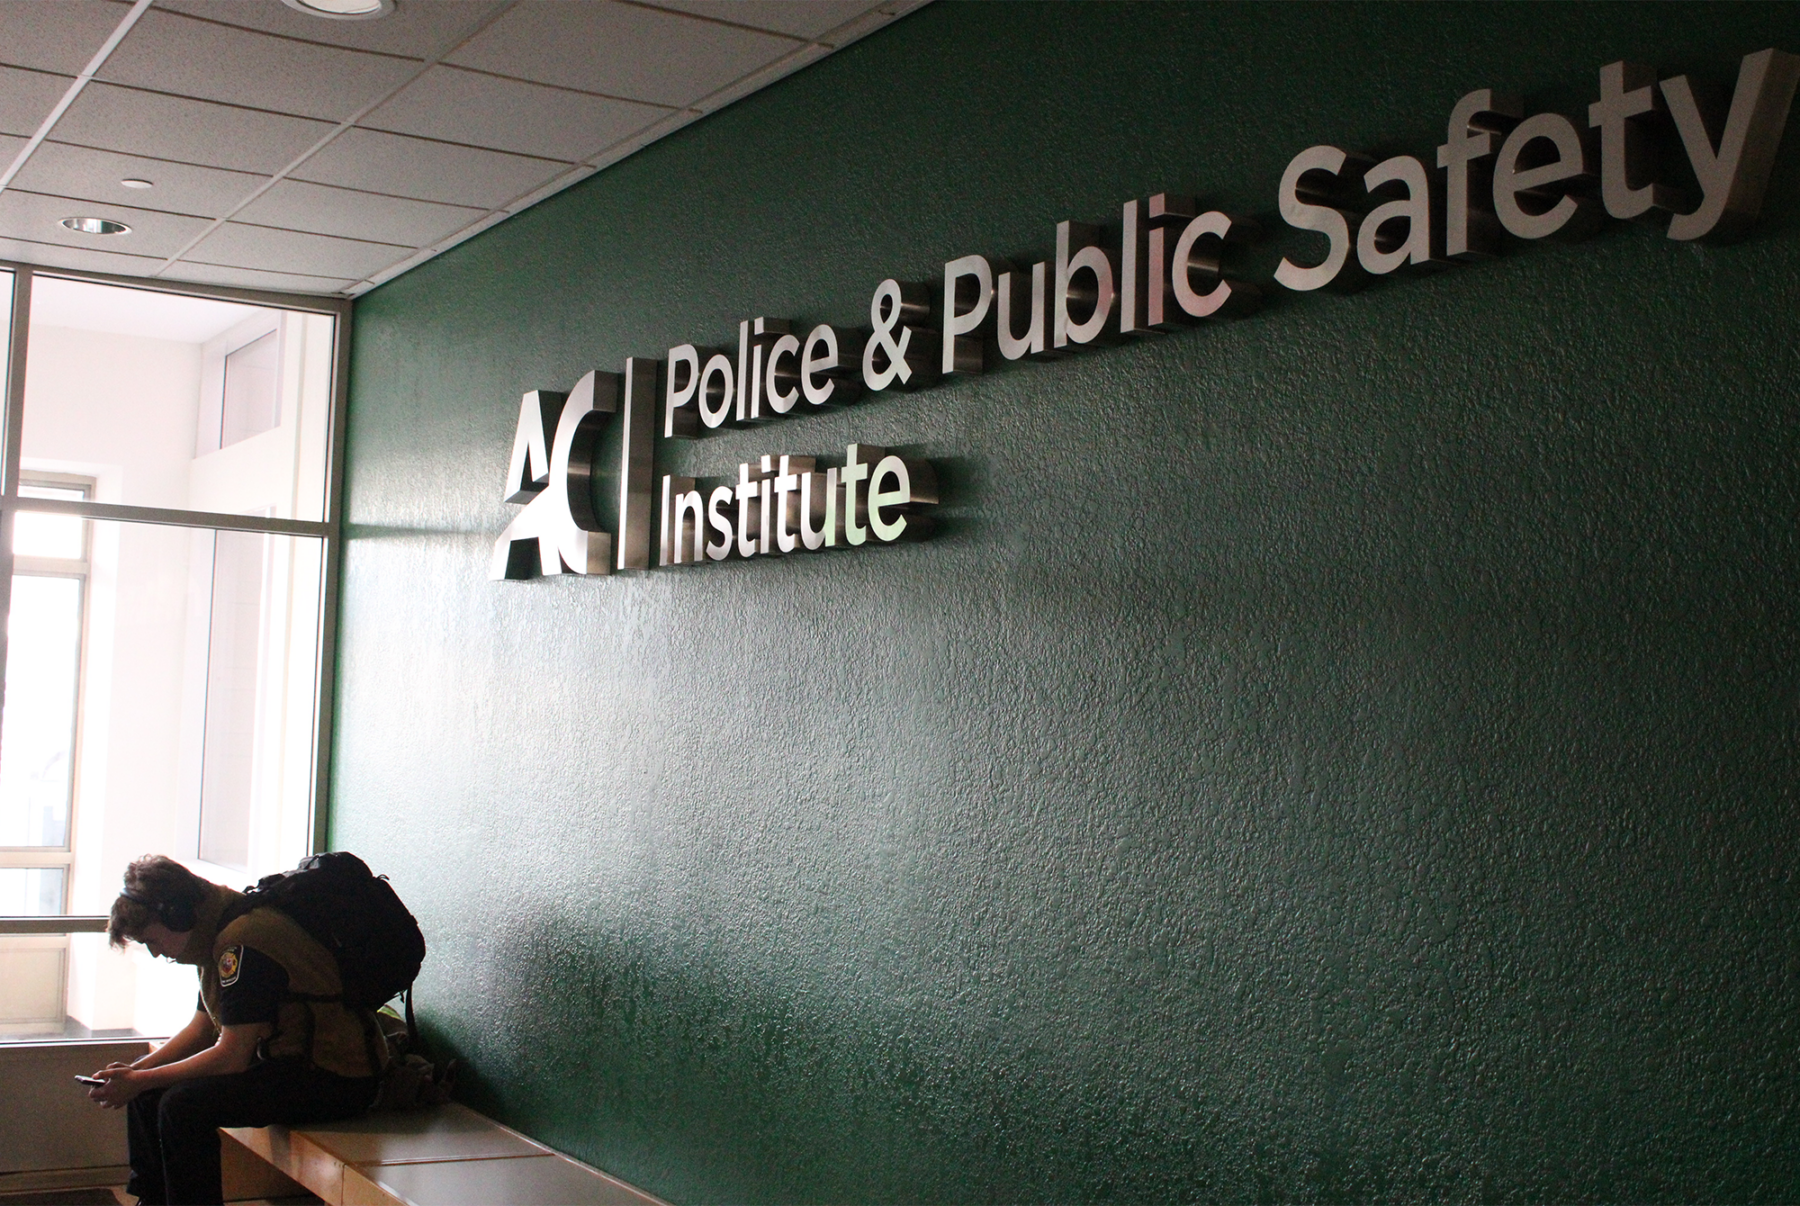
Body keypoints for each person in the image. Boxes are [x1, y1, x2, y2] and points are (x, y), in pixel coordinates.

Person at [89, 855, 382, 1206]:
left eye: (152, 940)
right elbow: (202, 1029)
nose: (154, 953)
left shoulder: (242, 941)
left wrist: (142, 1080)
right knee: (147, 1089)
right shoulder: (216, 929)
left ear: (178, 915)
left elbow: (231, 1055)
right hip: (289, 1063)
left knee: (182, 1107)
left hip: (336, 1077)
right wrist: (136, 1074)